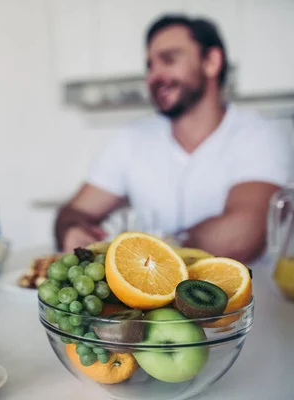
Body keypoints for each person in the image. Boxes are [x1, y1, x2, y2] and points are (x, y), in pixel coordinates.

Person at [55, 15, 293, 262]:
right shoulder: (129, 140)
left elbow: (244, 235)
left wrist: (159, 246)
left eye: (168, 60)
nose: (154, 76)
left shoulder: (259, 136)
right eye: (150, 66)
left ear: (211, 62)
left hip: (246, 298)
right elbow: (73, 212)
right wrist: (72, 230)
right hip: (154, 299)